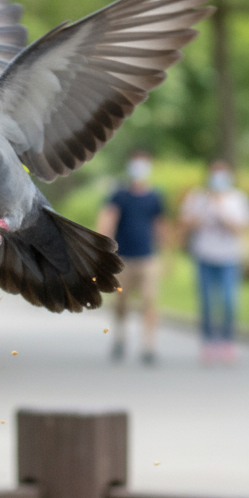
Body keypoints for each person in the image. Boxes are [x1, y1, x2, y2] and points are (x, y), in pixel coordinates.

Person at [179, 161, 249, 364]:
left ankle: (227, 341)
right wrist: (201, 212)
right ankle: (208, 342)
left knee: (229, 301)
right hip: (204, 256)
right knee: (206, 301)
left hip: (229, 257)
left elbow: (241, 227)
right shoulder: (198, 197)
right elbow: (184, 224)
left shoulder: (238, 198)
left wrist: (222, 209)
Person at [96, 152, 165, 364]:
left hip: (147, 258)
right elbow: (108, 219)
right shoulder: (119, 195)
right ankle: (120, 337)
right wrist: (103, 250)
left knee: (149, 302)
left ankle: (149, 346)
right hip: (123, 257)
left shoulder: (155, 197)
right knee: (121, 302)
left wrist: (165, 253)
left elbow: (160, 225)